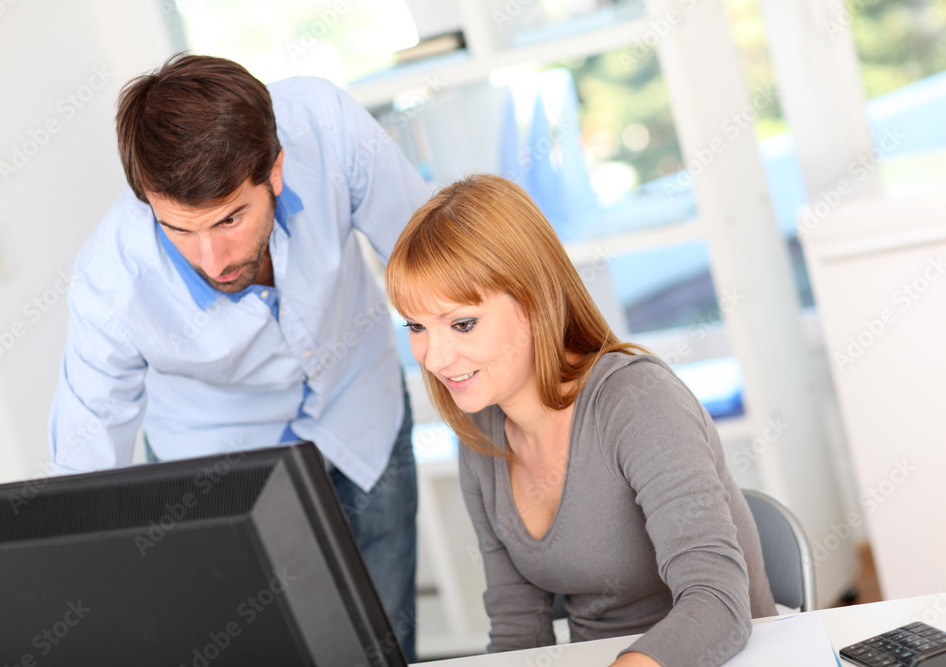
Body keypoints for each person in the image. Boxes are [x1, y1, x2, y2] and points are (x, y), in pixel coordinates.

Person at [48, 54, 430, 660]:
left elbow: (437, 259)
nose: (212, 258)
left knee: (384, 646)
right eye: (180, 229)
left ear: (274, 171)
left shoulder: (327, 130)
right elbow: (85, 475)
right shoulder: (111, 283)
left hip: (362, 409)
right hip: (218, 475)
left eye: (230, 218)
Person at [384, 174, 776, 667]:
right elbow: (517, 627)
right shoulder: (480, 430)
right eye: (416, 327)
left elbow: (719, 603)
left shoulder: (637, 401)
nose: (435, 359)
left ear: (534, 301)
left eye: (462, 323)